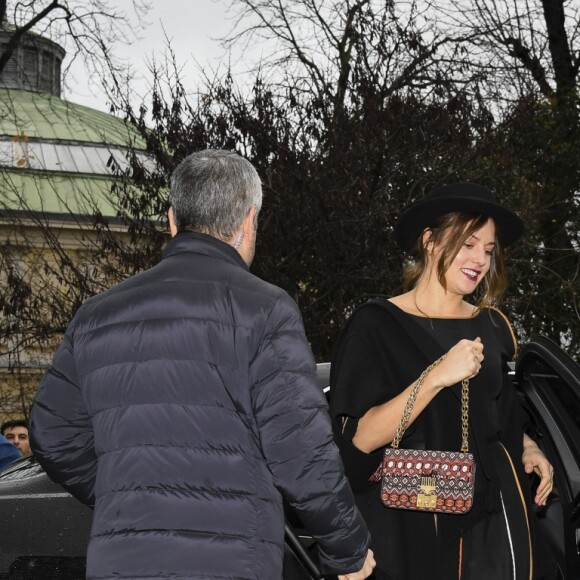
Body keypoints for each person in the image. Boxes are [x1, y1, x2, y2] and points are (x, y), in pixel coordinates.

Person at [29, 149, 375, 580]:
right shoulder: (266, 310)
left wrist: (127, 494)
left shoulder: (96, 315)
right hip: (231, 561)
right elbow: (301, 453)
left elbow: (53, 436)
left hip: (122, 562)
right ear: (250, 220)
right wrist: (348, 549)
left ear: (172, 220)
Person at [329, 183, 556, 579]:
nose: (480, 260)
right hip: (416, 518)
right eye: (468, 244)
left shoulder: (492, 325)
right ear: (431, 241)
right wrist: (435, 376)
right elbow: (359, 440)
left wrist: (528, 446)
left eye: (488, 249)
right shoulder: (376, 325)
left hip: (496, 515)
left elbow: (501, 413)